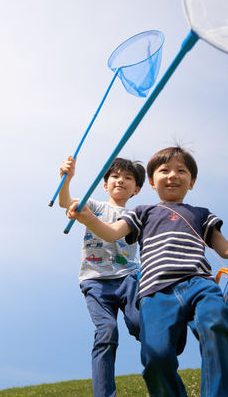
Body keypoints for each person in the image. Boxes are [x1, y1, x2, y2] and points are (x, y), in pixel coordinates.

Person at [67, 147, 228, 396]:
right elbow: (111, 232)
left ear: (191, 182)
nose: (172, 175)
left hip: (199, 284)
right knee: (156, 360)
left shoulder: (201, 214)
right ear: (151, 182)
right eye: (164, 170)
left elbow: (225, 248)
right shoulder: (141, 213)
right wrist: (88, 219)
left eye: (181, 171)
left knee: (217, 323)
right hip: (155, 294)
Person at [58, 155, 145, 397]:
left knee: (141, 324)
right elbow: (66, 202)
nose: (121, 180)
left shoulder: (137, 215)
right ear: (105, 184)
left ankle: (159, 372)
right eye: (115, 176)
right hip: (95, 280)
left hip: (128, 277)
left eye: (128, 178)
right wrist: (67, 178)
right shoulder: (95, 206)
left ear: (136, 189)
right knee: (106, 331)